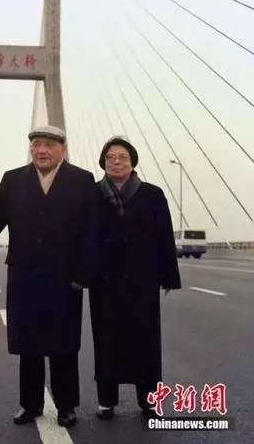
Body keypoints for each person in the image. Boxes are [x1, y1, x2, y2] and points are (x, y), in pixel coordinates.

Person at [0, 125, 98, 427]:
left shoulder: (82, 180)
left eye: (49, 145)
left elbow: (92, 230)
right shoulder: (13, 180)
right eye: (36, 144)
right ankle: (30, 405)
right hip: (25, 274)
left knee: (63, 345)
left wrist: (84, 273)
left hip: (65, 277)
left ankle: (66, 406)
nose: (41, 150)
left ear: (62, 149)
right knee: (29, 344)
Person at [89, 136, 181, 420]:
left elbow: (164, 237)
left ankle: (149, 401)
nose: (116, 162)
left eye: (123, 157)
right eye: (110, 157)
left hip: (143, 281)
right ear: (103, 162)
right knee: (105, 341)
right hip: (104, 282)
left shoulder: (153, 195)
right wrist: (80, 275)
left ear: (132, 162)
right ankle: (106, 401)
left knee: (146, 341)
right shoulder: (91, 195)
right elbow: (81, 238)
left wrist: (168, 276)